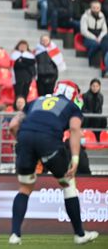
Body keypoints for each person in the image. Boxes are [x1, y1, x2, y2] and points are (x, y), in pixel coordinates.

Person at [8, 80, 99, 245]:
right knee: (67, 183)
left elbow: (13, 125)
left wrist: (24, 143)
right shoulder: (72, 107)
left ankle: (15, 234)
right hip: (49, 140)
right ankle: (79, 234)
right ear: (73, 94)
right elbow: (74, 130)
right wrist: (76, 159)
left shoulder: (36, 100)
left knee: (25, 187)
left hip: (25, 138)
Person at [80, 1, 107, 65]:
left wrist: (100, 37)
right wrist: (94, 38)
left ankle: (103, 63)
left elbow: (105, 30)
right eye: (94, 8)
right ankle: (89, 58)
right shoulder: (85, 16)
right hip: (88, 38)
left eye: (97, 8)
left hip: (99, 37)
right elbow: (83, 31)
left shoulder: (102, 16)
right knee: (96, 45)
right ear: (91, 8)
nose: (95, 9)